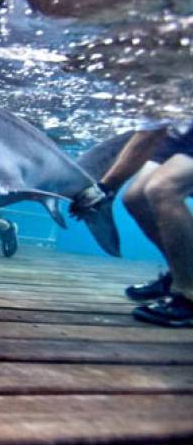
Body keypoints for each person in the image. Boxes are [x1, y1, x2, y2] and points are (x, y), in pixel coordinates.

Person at [72, 120, 193, 328]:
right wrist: (106, 188)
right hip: (183, 130)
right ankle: (181, 272)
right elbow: (148, 133)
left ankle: (188, 293)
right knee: (135, 198)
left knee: (163, 189)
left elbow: (149, 136)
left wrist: (104, 187)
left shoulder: (161, 88)